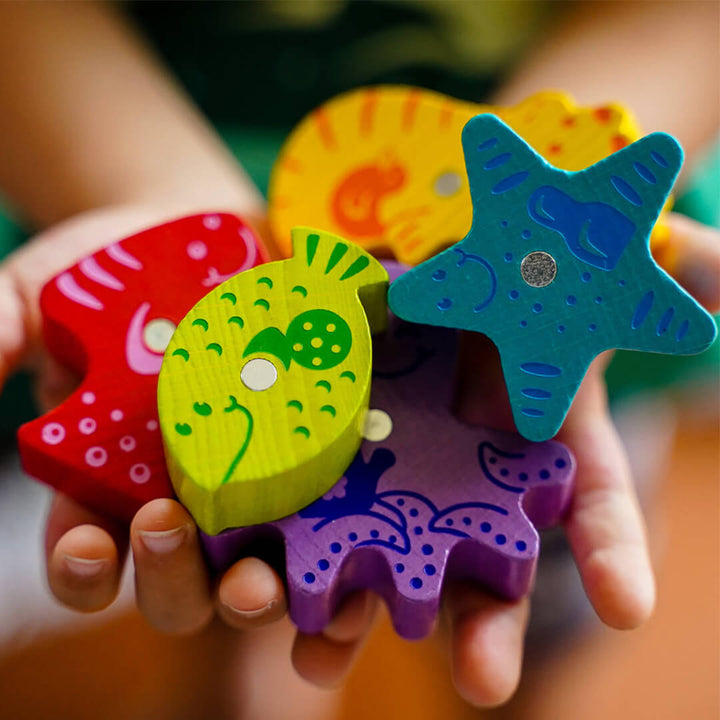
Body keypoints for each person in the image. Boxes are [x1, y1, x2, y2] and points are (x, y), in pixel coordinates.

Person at [0, 1, 717, 713]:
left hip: (528, 322)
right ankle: (243, 670)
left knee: (546, 602)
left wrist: (533, 214)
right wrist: (148, 192)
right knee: (229, 542)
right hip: (182, 163)